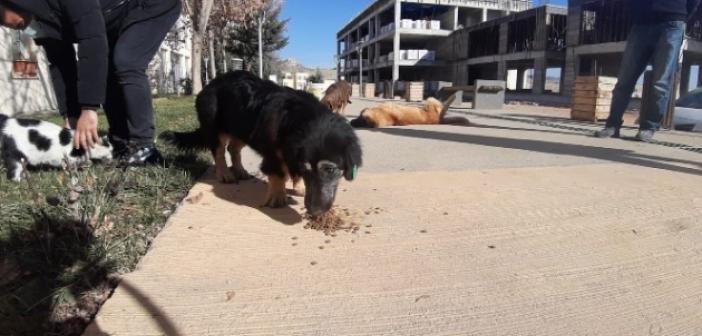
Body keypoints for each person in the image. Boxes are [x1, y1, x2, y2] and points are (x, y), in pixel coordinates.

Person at [0, 0, 181, 165]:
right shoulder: (39, 22)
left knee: (126, 62)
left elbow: (92, 40)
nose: (20, 29)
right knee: (108, 70)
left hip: (151, 5)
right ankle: (121, 142)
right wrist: (71, 116)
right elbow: (60, 63)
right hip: (113, 19)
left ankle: (144, 147)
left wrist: (89, 109)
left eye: (18, 24)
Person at [595, 0, 701, 142]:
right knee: (625, 80)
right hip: (641, 24)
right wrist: (636, 12)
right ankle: (612, 125)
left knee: (661, 82)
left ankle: (649, 127)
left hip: (672, 23)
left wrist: (681, 17)